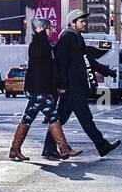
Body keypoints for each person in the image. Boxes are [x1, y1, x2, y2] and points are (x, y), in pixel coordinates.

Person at [43, 9, 121, 160]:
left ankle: (49, 148)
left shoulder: (77, 37)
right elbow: (61, 62)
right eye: (81, 21)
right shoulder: (67, 37)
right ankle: (102, 146)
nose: (84, 23)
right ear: (72, 23)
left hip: (75, 87)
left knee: (60, 119)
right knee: (85, 119)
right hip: (72, 88)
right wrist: (62, 85)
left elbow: (88, 60)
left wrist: (107, 71)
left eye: (84, 21)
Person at [9, 17, 76, 160]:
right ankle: (64, 149)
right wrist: (39, 34)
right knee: (53, 117)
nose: (51, 30)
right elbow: (42, 59)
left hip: (38, 89)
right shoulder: (37, 45)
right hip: (38, 90)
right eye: (48, 28)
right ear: (41, 28)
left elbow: (50, 69)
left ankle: (14, 149)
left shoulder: (44, 45)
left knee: (27, 118)